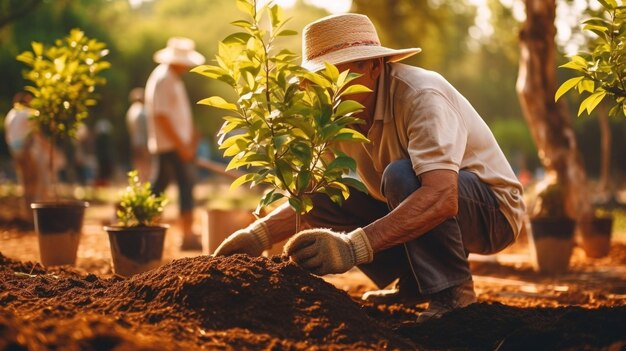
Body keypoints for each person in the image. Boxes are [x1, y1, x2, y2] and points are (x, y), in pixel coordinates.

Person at [214, 13, 526, 322]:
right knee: (323, 193)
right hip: (415, 199)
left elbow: (442, 196)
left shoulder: (420, 96)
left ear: (375, 67)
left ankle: (453, 293)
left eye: (340, 76)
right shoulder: (331, 117)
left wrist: (353, 247)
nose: (330, 91)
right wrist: (258, 236)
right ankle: (417, 284)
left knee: (402, 176)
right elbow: (314, 198)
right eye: (321, 80)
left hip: (493, 212)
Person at [144, 37, 205, 251]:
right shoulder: (164, 79)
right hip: (171, 146)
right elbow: (161, 116)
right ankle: (186, 235)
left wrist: (189, 138)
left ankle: (145, 227)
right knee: (184, 186)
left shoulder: (171, 78)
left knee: (159, 187)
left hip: (174, 144)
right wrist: (182, 146)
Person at [4, 92, 45, 223]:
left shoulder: (11, 114)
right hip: (25, 148)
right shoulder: (27, 113)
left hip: (14, 149)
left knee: (24, 181)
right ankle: (32, 214)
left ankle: (26, 212)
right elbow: (37, 132)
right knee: (33, 180)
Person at [126, 87, 151, 181]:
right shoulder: (142, 111)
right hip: (143, 141)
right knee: (146, 162)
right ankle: (146, 180)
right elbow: (146, 128)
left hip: (134, 140)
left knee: (137, 162)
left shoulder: (130, 111)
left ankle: (138, 180)